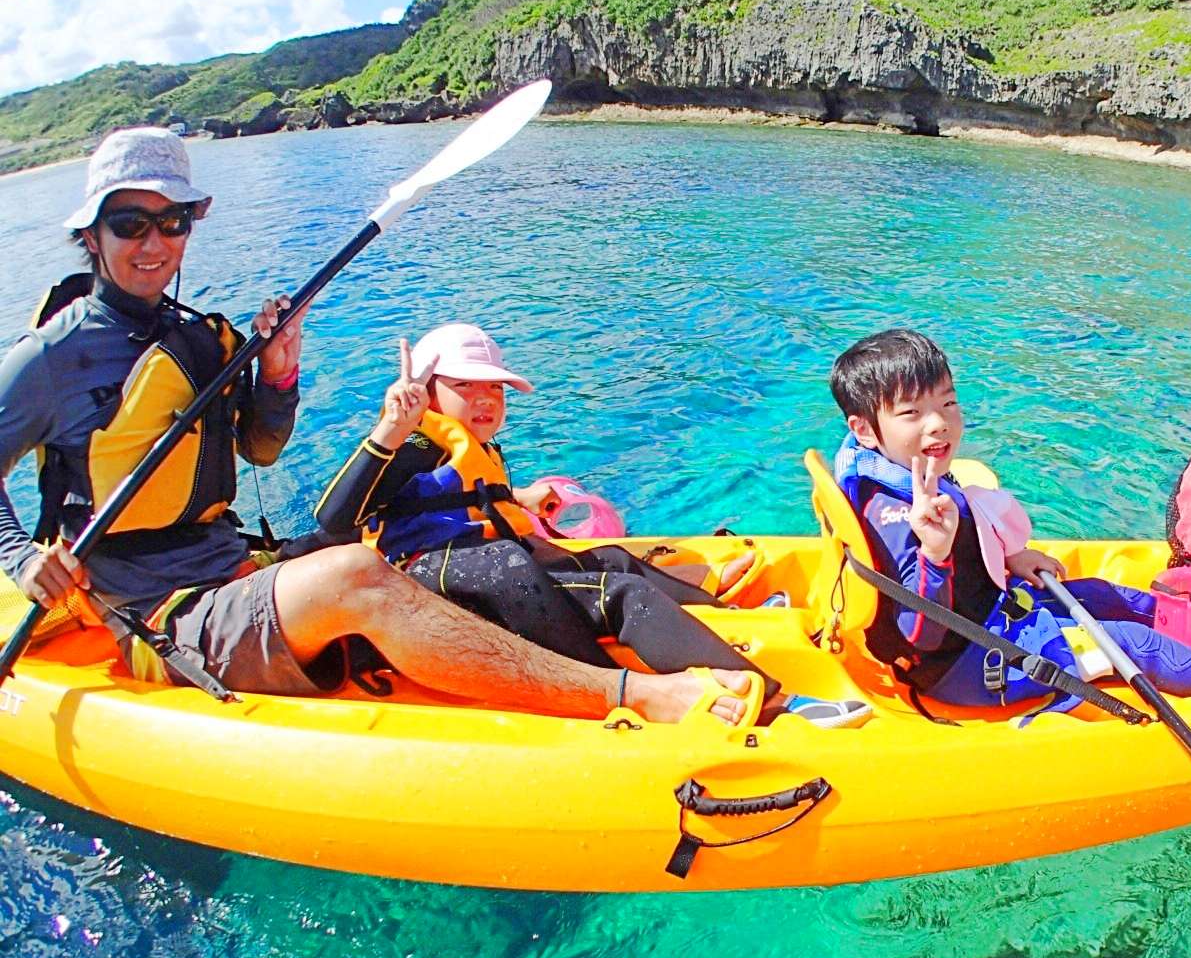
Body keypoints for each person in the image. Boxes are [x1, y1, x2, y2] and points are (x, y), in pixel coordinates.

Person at [0, 125, 753, 725]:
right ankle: (625, 697)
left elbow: (259, 448)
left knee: (441, 565)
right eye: (132, 223)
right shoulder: (52, 356)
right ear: (91, 234)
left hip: (236, 573)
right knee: (359, 571)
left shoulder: (198, 335)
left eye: (173, 220)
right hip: (158, 613)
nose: (156, 243)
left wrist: (280, 373)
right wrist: (20, 558)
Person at [309, 321, 871, 728]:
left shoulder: (475, 448)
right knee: (622, 594)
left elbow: (472, 498)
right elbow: (334, 521)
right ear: (427, 392)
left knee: (615, 561)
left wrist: (523, 497)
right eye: (466, 387)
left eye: (495, 389)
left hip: (487, 568)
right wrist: (387, 428)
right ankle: (772, 702)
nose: (486, 400)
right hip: (439, 588)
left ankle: (719, 617)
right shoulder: (407, 446)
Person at [827, 329, 1191, 710]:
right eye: (911, 414)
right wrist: (935, 555)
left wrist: (1009, 557)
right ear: (865, 430)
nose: (939, 423)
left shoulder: (905, 468)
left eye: (948, 402)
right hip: (966, 664)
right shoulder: (897, 514)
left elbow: (967, 553)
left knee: (1100, 596)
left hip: (988, 614)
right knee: (1130, 642)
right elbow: (921, 635)